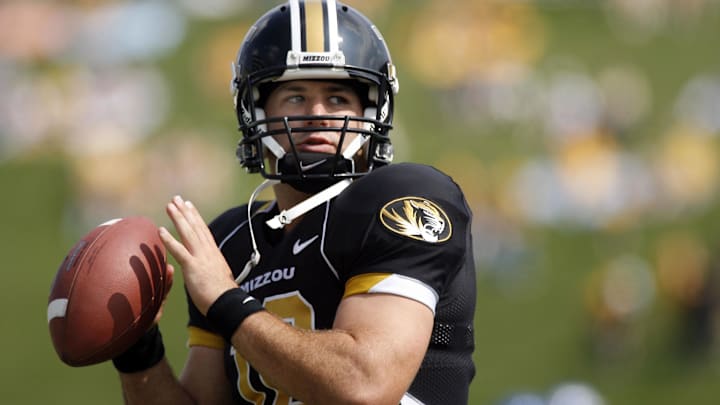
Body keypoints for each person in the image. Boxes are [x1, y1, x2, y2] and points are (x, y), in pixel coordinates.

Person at [112, 1, 476, 404]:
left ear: (372, 110)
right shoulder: (231, 240)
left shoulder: (404, 197)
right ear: (255, 110)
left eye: (337, 98)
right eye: (295, 97)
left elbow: (365, 387)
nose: (317, 114)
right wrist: (138, 349)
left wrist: (227, 301)